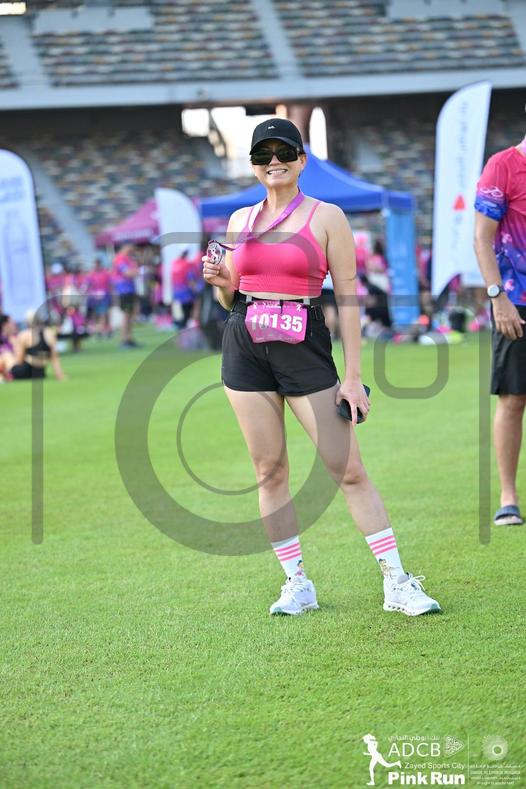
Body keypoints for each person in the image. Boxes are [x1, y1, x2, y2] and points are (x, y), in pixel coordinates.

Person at [202, 117, 440, 617]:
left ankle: (397, 582)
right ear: (253, 165)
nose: (274, 162)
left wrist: (352, 378)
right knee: (269, 470)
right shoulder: (240, 220)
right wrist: (222, 282)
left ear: (301, 160)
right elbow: (230, 297)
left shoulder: (327, 216)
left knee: (347, 468)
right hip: (244, 342)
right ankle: (297, 583)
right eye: (263, 155)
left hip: (303, 343)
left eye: (283, 153)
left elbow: (348, 299)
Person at [474, 128, 526, 526]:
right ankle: (508, 497)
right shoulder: (503, 166)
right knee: (513, 398)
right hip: (515, 300)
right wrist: (497, 297)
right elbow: (482, 238)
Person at [9, 310, 66, 381]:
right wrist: (59, 374)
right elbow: (54, 357)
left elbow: (19, 360)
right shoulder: (49, 333)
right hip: (41, 372)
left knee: (7, 357)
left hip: (25, 370)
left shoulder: (24, 335)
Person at [112, 244, 140, 348]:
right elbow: (127, 273)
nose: (133, 249)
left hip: (130, 290)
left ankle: (129, 338)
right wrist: (136, 271)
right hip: (124, 291)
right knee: (127, 315)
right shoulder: (120, 259)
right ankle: (124, 339)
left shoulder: (128, 258)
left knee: (131, 315)